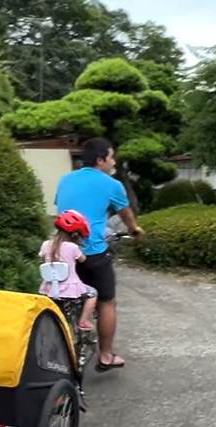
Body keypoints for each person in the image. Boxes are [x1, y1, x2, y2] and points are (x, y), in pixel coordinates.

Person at [54, 137, 144, 373]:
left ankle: (60, 348)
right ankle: (105, 355)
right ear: (100, 159)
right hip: (92, 252)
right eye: (111, 157)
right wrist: (134, 230)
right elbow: (125, 214)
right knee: (106, 301)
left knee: (62, 298)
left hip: (62, 252)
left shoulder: (65, 180)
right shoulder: (111, 184)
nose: (113, 162)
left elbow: (63, 210)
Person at [38, 210, 98, 332]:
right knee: (93, 294)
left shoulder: (45, 245)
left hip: (49, 288)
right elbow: (83, 260)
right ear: (75, 235)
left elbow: (42, 258)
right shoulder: (73, 247)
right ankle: (83, 321)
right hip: (70, 288)